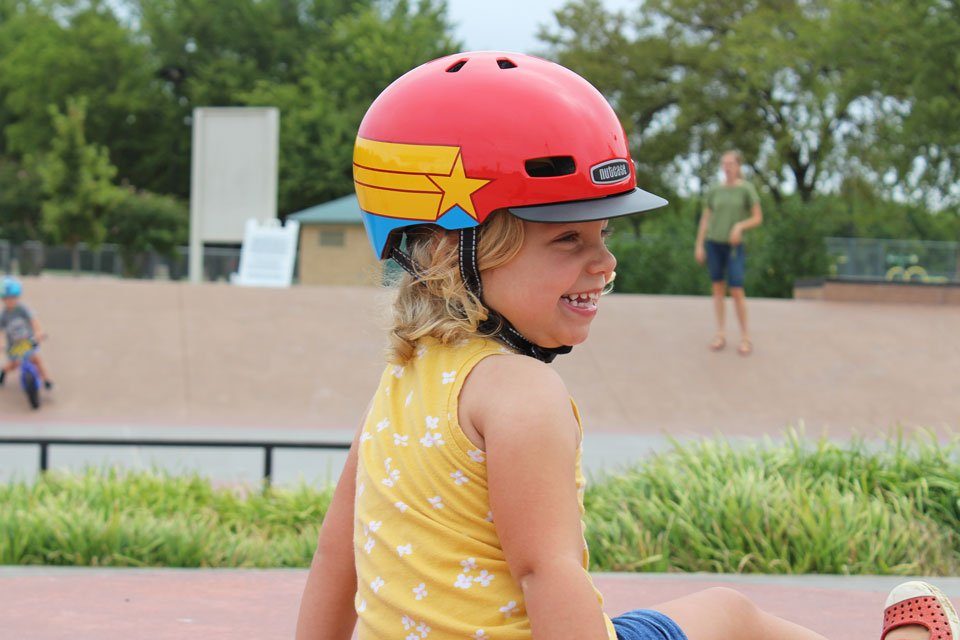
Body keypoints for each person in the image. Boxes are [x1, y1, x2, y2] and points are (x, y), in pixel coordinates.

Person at [295, 52, 958, 640]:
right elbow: (547, 573)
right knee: (731, 616)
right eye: (569, 241)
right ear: (453, 248)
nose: (604, 263)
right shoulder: (521, 393)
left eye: (603, 236)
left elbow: (336, 556)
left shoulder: (403, 377)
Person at [694, 151, 763, 356]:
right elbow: (706, 219)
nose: (727, 167)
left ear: (739, 166)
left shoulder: (746, 190)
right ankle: (720, 333)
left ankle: (745, 337)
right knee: (717, 288)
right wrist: (699, 245)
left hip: (734, 246)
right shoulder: (715, 190)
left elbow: (758, 217)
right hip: (714, 243)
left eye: (731, 163)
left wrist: (740, 226)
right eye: (724, 163)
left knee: (736, 288)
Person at [0, 276, 53, 389]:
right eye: (7, 298)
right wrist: (1, 344)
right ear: (3, 299)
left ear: (18, 297)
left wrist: (39, 332)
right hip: (13, 345)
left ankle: (46, 380)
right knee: (14, 364)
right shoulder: (3, 315)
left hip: (28, 341)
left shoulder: (22, 309)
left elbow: (33, 320)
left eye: (13, 298)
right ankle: (3, 372)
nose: (10, 301)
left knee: (36, 360)